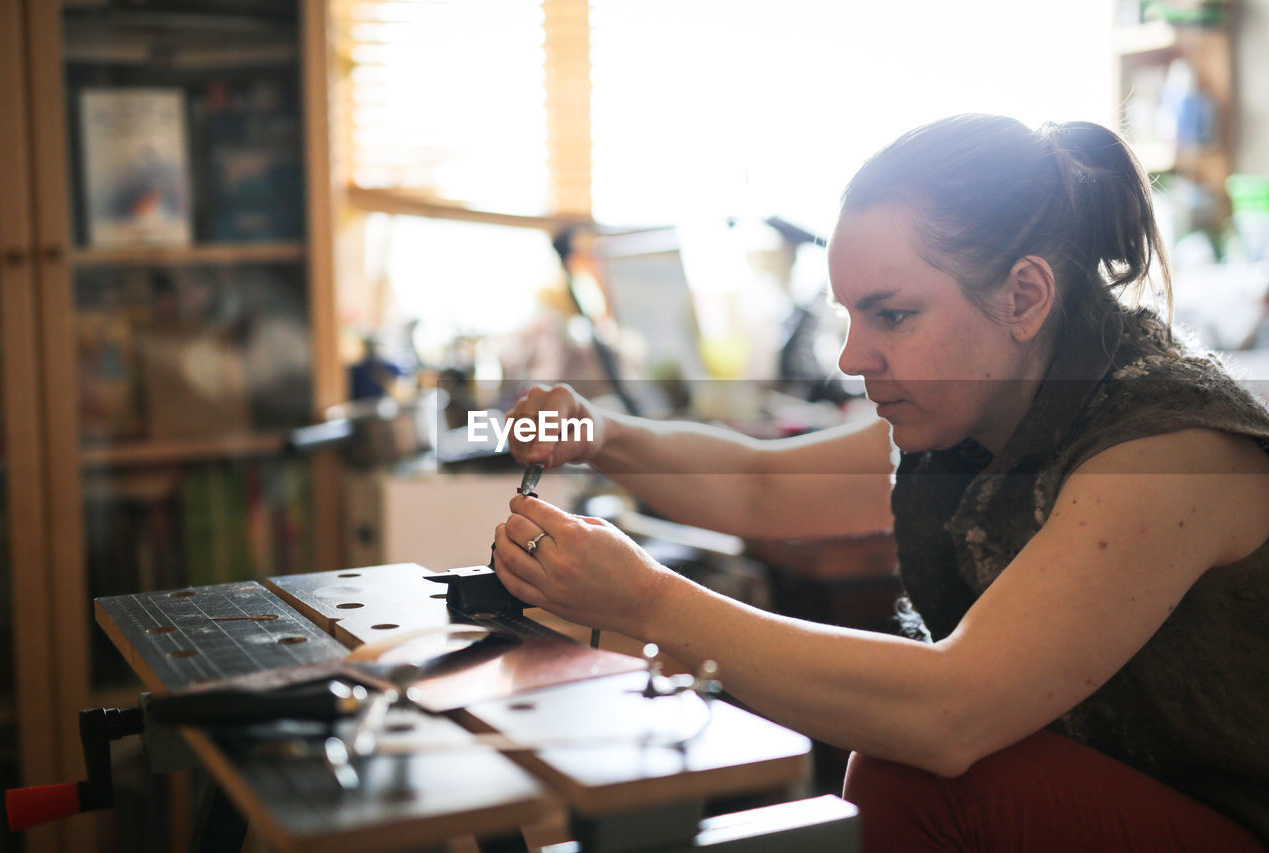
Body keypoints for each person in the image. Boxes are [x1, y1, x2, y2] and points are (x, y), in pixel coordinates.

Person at [491, 114, 1269, 851]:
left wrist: (645, 600)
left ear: (1025, 297)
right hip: (1144, 795)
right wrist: (602, 434)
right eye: (851, 316)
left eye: (891, 315)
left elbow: (948, 710)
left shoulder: (1165, 449)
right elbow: (761, 486)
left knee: (912, 773)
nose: (852, 356)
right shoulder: (987, 409)